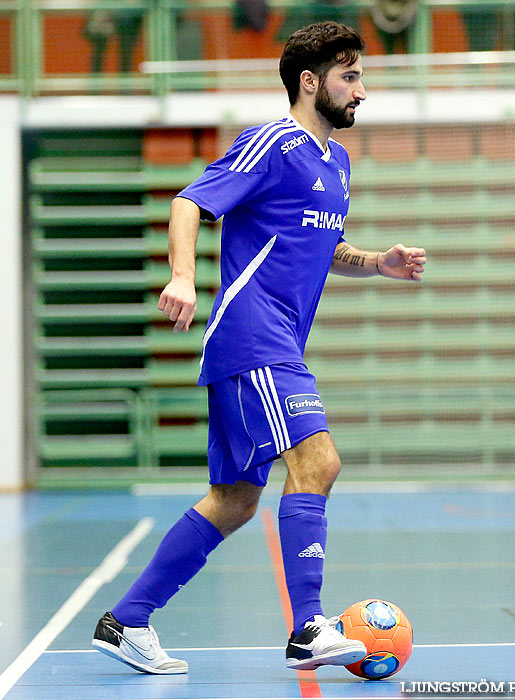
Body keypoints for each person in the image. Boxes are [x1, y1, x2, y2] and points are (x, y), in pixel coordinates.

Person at [92, 21, 426, 675]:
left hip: (263, 347)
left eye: (360, 76)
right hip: (254, 338)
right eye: (348, 77)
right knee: (318, 461)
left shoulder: (337, 164)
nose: (360, 91)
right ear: (310, 82)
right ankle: (308, 628)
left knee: (236, 499)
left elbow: (322, 248)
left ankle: (127, 620)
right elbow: (189, 202)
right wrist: (183, 276)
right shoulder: (272, 143)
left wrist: (375, 262)